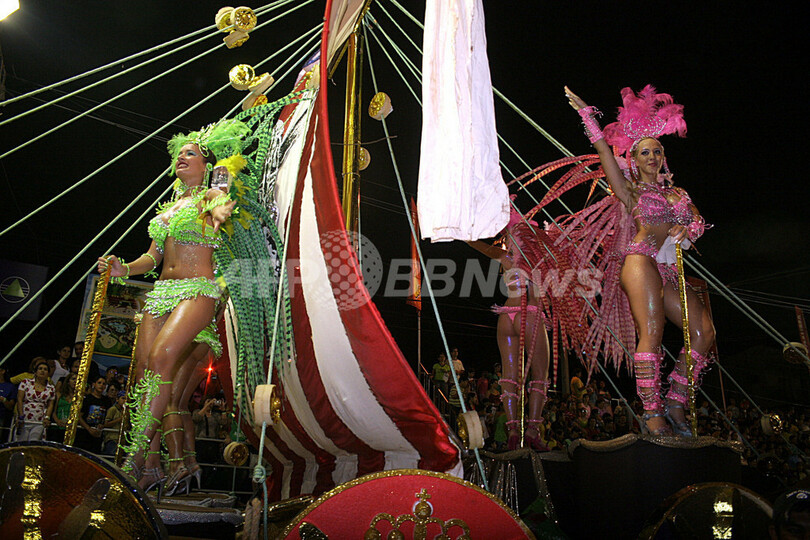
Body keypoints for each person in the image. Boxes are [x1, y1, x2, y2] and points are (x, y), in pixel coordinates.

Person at [97, 119, 245, 493]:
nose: (181, 157)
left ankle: (131, 461)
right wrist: (123, 268)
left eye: (190, 153)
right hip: (160, 292)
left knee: (161, 359)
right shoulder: (168, 208)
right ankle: (151, 467)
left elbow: (222, 204)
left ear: (206, 164)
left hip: (197, 291)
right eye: (179, 154)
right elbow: (152, 258)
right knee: (144, 373)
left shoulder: (211, 196)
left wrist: (221, 205)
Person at [563, 85, 715, 435]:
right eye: (645, 151)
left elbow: (697, 221)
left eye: (657, 151)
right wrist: (587, 114)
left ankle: (676, 401)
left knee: (704, 332)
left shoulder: (677, 193)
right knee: (652, 332)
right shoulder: (630, 190)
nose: (652, 156)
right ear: (634, 157)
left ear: (663, 157)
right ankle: (652, 412)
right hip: (641, 261)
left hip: (668, 269)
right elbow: (603, 149)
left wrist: (688, 228)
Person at [469, 208, 584, 451]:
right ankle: (532, 431)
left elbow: (479, 245)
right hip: (529, 314)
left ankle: (512, 431)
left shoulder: (505, 257)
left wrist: (464, 235)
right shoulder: (539, 259)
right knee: (539, 375)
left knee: (509, 376)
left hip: (506, 315)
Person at [15, 358, 55, 441]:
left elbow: (50, 405)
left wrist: (47, 417)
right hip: (25, 417)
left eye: (45, 369)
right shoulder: (26, 382)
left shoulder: (51, 388)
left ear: (48, 373)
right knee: (21, 442)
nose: (42, 371)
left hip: (39, 419)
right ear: (35, 372)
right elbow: (19, 399)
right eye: (40, 369)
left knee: (34, 442)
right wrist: (20, 415)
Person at [75, 375, 112, 453]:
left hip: (98, 434)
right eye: (99, 383)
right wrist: (88, 428)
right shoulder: (87, 399)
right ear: (94, 384)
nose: (101, 385)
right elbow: (79, 416)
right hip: (84, 433)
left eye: (104, 384)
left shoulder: (107, 401)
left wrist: (103, 425)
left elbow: (108, 417)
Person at [49, 371, 78, 442]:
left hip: (71, 429)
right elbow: (53, 411)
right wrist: (57, 420)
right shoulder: (59, 395)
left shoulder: (79, 398)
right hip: (57, 427)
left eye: (77, 380)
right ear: (68, 381)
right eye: (73, 379)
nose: (75, 381)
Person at [102, 391, 126, 455]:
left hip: (121, 440)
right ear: (117, 399)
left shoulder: (126, 411)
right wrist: (119, 419)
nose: (125, 401)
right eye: (123, 398)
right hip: (111, 438)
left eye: (126, 399)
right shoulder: (112, 409)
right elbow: (106, 424)